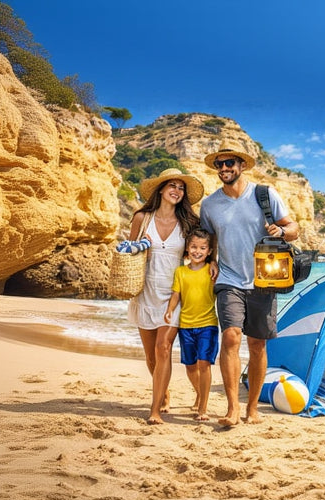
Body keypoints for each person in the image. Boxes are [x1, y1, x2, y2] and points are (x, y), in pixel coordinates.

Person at [199, 141, 299, 425]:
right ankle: (232, 409)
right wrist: (211, 261)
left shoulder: (264, 195)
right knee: (230, 336)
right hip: (229, 279)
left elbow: (294, 228)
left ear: (241, 166)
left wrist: (281, 231)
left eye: (230, 163)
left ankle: (252, 409)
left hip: (264, 281)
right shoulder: (210, 204)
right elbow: (207, 240)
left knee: (257, 345)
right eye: (219, 164)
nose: (224, 168)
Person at [127, 168, 204, 425]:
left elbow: (201, 250)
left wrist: (211, 264)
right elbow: (128, 254)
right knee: (151, 356)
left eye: (181, 188)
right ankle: (164, 392)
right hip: (145, 293)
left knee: (163, 348)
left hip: (174, 294)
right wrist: (140, 252)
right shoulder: (141, 218)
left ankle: (155, 410)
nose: (177, 191)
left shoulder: (188, 224)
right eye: (172, 185)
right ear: (160, 189)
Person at [163, 229, 220, 421]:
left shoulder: (212, 271)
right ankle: (200, 393)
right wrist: (170, 310)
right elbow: (176, 295)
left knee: (204, 363)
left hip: (208, 325)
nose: (198, 251)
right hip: (185, 325)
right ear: (187, 249)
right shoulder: (180, 272)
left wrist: (215, 264)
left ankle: (203, 408)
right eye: (194, 247)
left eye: (202, 248)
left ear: (209, 250)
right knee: (189, 366)